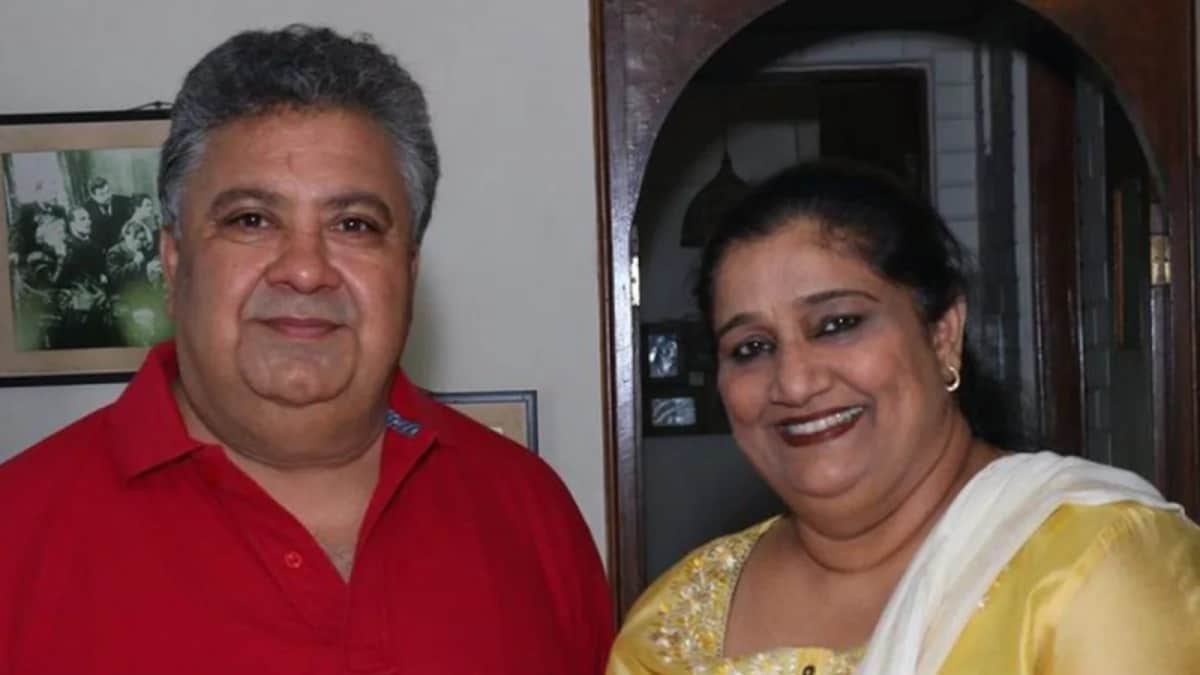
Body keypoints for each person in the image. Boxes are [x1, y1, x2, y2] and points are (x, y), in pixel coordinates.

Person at [0, 25, 612, 674]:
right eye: (251, 220)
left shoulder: (531, 512)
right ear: (173, 263)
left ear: (408, 269)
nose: (304, 269)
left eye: (354, 225)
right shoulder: (17, 532)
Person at [607, 162, 1200, 675]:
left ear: (943, 335)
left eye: (837, 324)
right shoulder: (672, 624)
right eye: (752, 348)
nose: (795, 382)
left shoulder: (1098, 566)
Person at [83, 175, 133, 250]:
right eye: (102, 194)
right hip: (101, 250)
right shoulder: (86, 210)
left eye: (108, 191)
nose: (108, 196)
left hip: (127, 246)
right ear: (93, 196)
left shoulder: (125, 202)